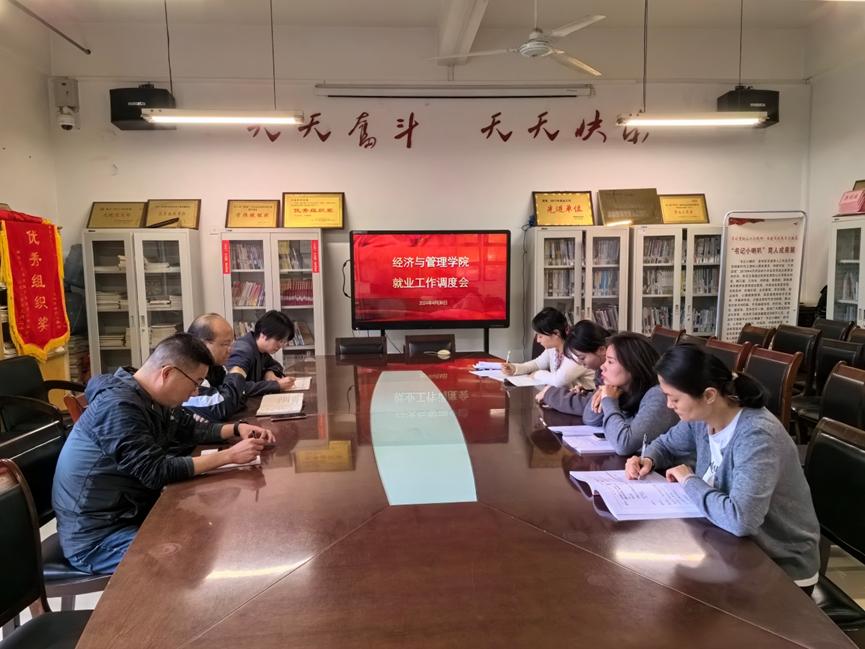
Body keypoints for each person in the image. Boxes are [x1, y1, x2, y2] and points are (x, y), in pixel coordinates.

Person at [52, 333, 275, 575]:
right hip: (98, 539)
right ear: (167, 373)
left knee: (218, 534)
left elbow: (190, 428)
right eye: (195, 383)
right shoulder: (117, 406)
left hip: (132, 514)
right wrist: (228, 456)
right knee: (192, 559)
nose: (194, 393)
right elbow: (155, 471)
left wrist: (237, 428)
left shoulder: (148, 396)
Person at [626, 344, 820, 590]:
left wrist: (689, 480)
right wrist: (648, 459)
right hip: (727, 544)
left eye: (674, 398)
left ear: (709, 395)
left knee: (671, 592)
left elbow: (741, 520)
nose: (668, 405)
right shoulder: (703, 417)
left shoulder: (756, 435)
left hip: (779, 564)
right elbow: (666, 444)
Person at [582, 332, 679, 455]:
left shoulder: (659, 396)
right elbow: (590, 419)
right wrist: (603, 392)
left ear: (633, 366)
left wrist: (608, 401)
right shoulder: (622, 390)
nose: (602, 366)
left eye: (610, 362)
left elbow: (624, 445)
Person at [183, 313, 260, 422]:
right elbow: (223, 408)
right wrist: (237, 374)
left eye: (231, 344)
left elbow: (239, 397)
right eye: (225, 344)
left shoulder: (216, 367)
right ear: (202, 344)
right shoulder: (187, 371)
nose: (230, 350)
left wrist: (213, 411)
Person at [502, 308, 594, 389]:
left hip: (586, 399)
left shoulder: (577, 352)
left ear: (556, 333)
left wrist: (537, 374)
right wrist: (515, 368)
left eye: (540, 336)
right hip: (566, 397)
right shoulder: (553, 349)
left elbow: (558, 380)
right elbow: (537, 364)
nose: (538, 340)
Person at [536, 320, 608, 413]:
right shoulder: (601, 370)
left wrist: (549, 394)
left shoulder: (614, 372)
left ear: (602, 350)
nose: (580, 363)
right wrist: (587, 392)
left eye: (582, 358)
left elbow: (593, 408)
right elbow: (598, 397)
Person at [226, 310, 296, 396]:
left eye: (283, 342)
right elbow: (236, 387)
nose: (281, 346)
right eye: (279, 340)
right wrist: (276, 385)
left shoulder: (261, 349)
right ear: (263, 334)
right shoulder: (243, 351)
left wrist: (269, 373)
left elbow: (276, 365)